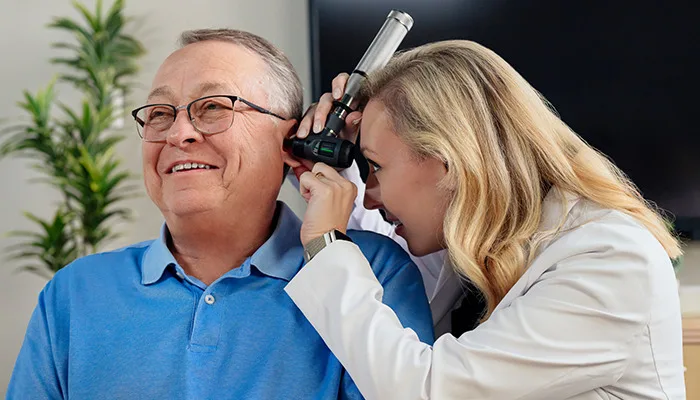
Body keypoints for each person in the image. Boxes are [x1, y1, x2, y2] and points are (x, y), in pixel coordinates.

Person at [7, 29, 434, 399]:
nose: (178, 134)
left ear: (292, 140)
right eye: (159, 114)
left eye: (213, 107)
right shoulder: (74, 293)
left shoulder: (374, 272)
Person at [283, 40, 686, 399]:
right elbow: (372, 313)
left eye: (375, 167)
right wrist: (336, 164)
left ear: (449, 161)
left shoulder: (612, 262)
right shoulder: (469, 245)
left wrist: (325, 243)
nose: (369, 198)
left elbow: (421, 388)